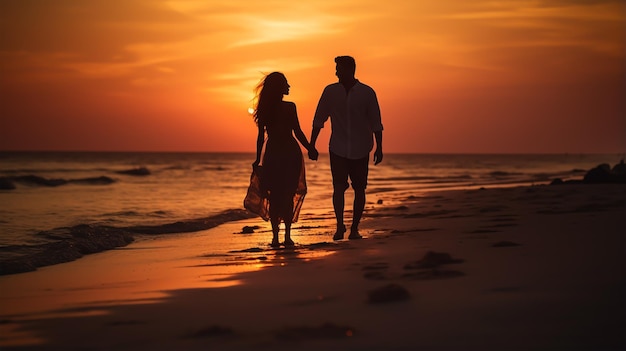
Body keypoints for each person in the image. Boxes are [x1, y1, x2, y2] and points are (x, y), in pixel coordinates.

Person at [309, 56, 383, 240]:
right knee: (338, 187)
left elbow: (376, 122)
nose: (336, 72)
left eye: (339, 68)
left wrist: (379, 147)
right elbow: (319, 119)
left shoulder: (367, 93)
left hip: (361, 148)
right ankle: (339, 225)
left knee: (360, 188)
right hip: (338, 148)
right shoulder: (330, 91)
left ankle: (355, 228)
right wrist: (312, 144)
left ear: (350, 69)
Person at [252, 72, 316, 247]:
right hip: (288, 152)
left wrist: (258, 159)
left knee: (275, 196)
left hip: (274, 153)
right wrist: (310, 147)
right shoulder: (289, 107)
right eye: (286, 83)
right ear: (280, 87)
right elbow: (298, 132)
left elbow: (260, 138)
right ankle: (286, 237)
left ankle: (275, 238)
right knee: (286, 195)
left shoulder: (266, 109)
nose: (289, 86)